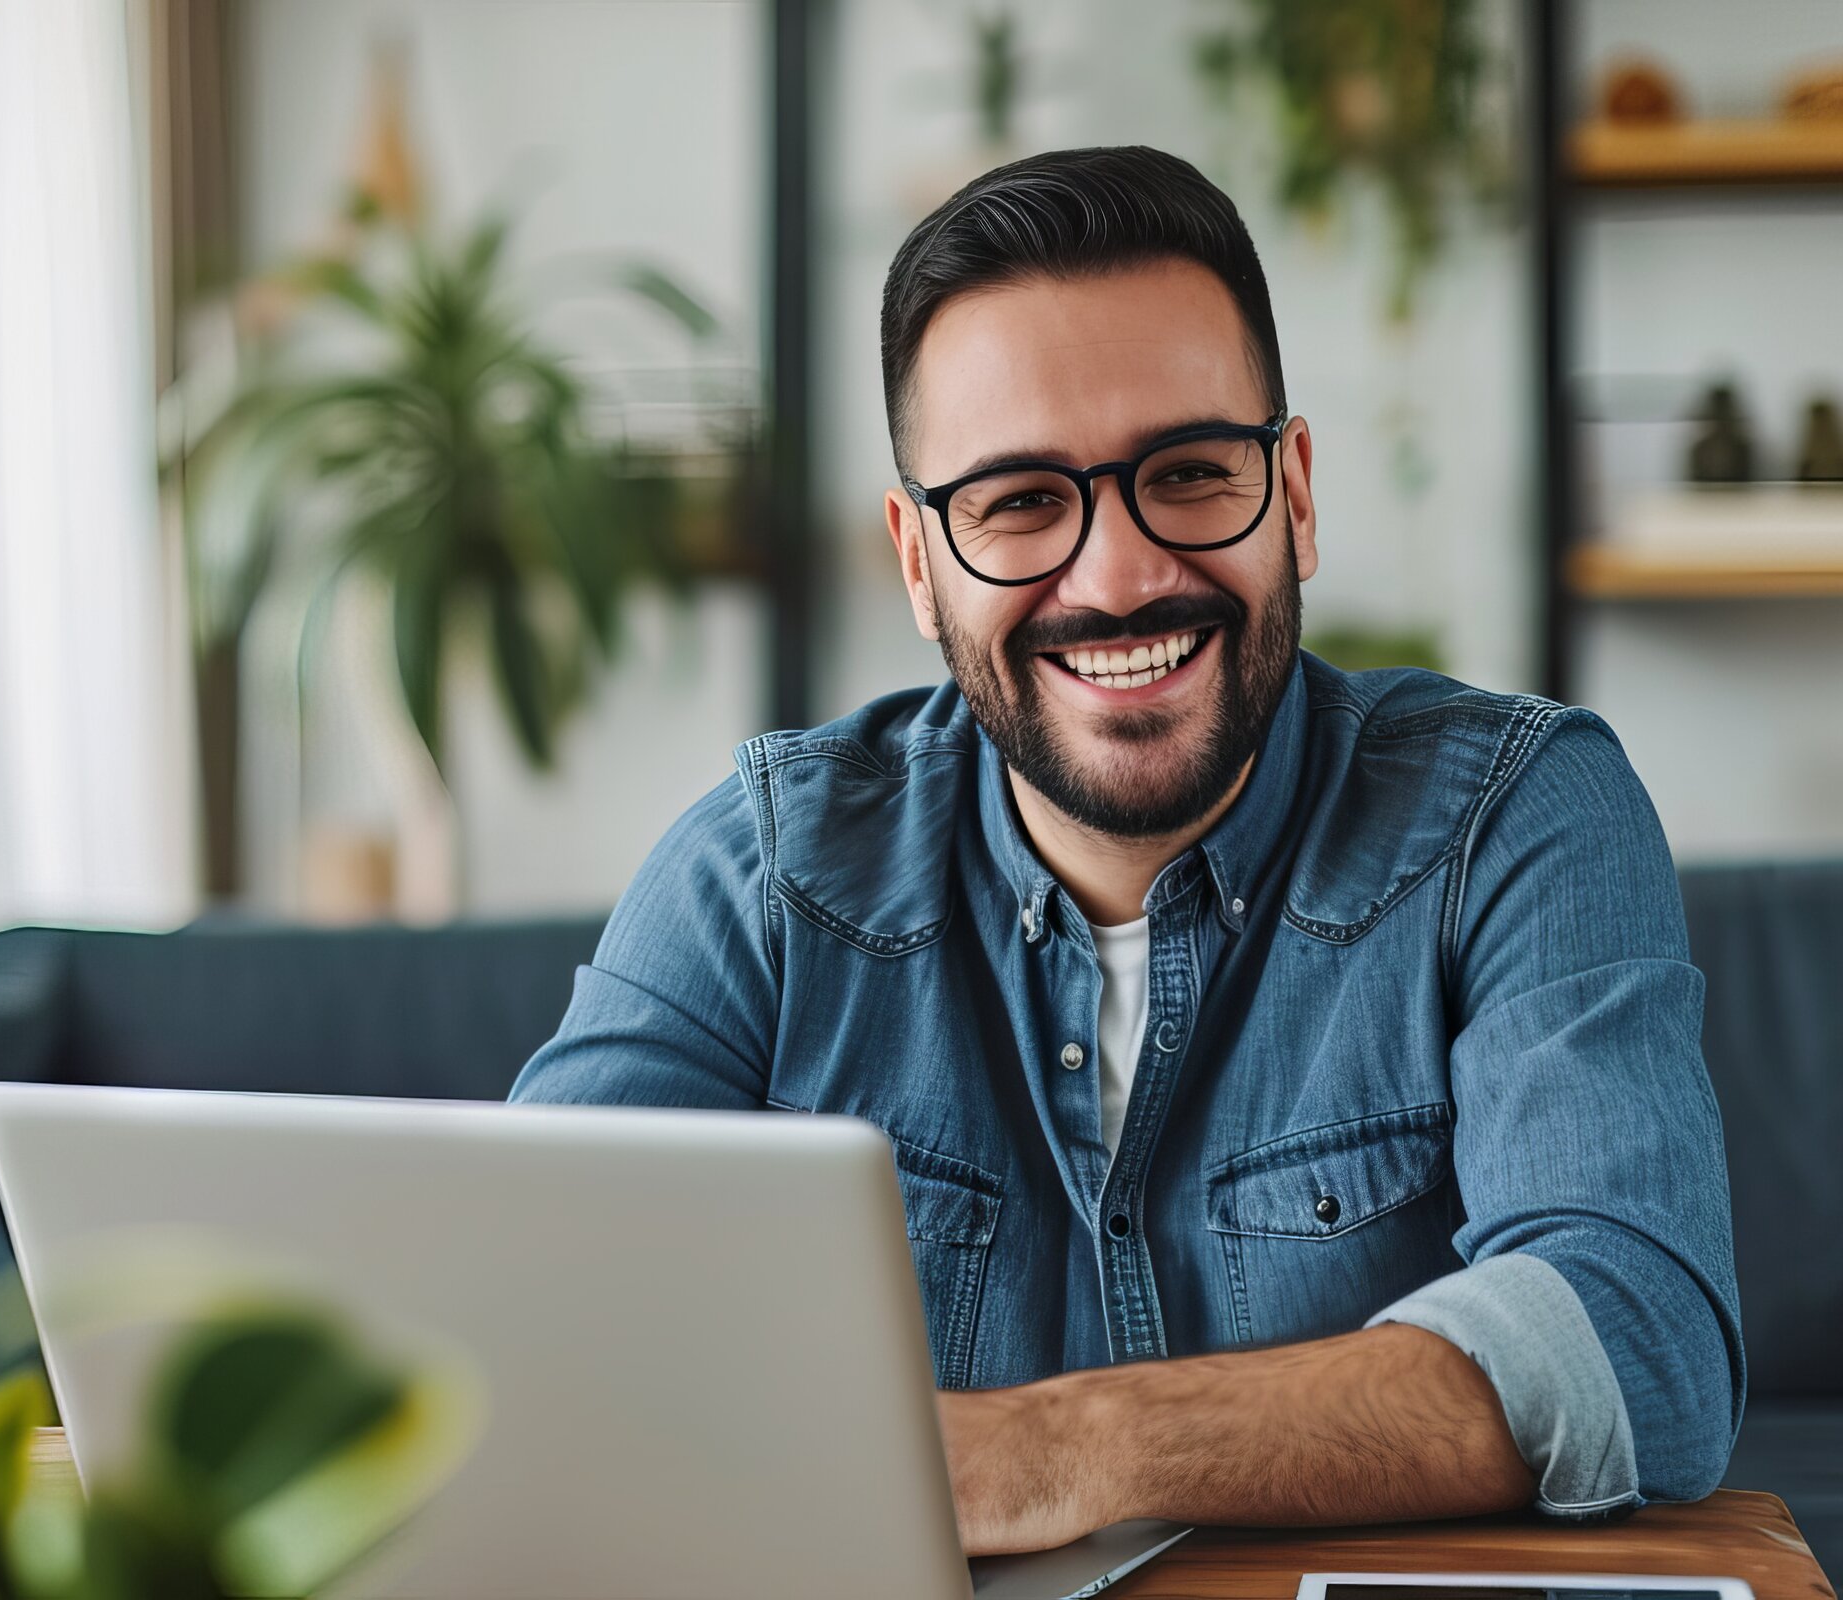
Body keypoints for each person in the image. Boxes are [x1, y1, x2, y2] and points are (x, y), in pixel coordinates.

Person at [508, 146, 1745, 1555]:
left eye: (1190, 472)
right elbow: (531, 1342)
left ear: (1296, 494)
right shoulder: (763, 875)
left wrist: (1063, 1449)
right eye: (1020, 502)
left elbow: (1637, 1337)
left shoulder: (1515, 814)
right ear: (919, 562)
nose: (1118, 576)